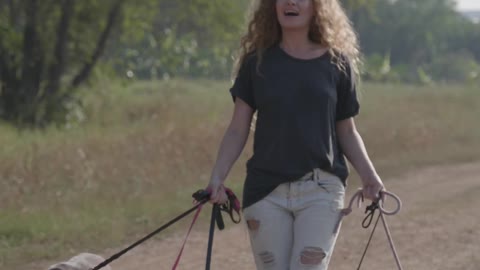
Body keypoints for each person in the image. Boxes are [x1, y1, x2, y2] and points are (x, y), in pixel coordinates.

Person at [206, 0, 385, 269]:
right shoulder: (257, 62)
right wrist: (217, 177)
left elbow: (347, 131)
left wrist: (370, 176)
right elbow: (237, 129)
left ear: (317, 7)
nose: (290, 2)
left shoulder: (337, 63)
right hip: (265, 191)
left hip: (322, 190)